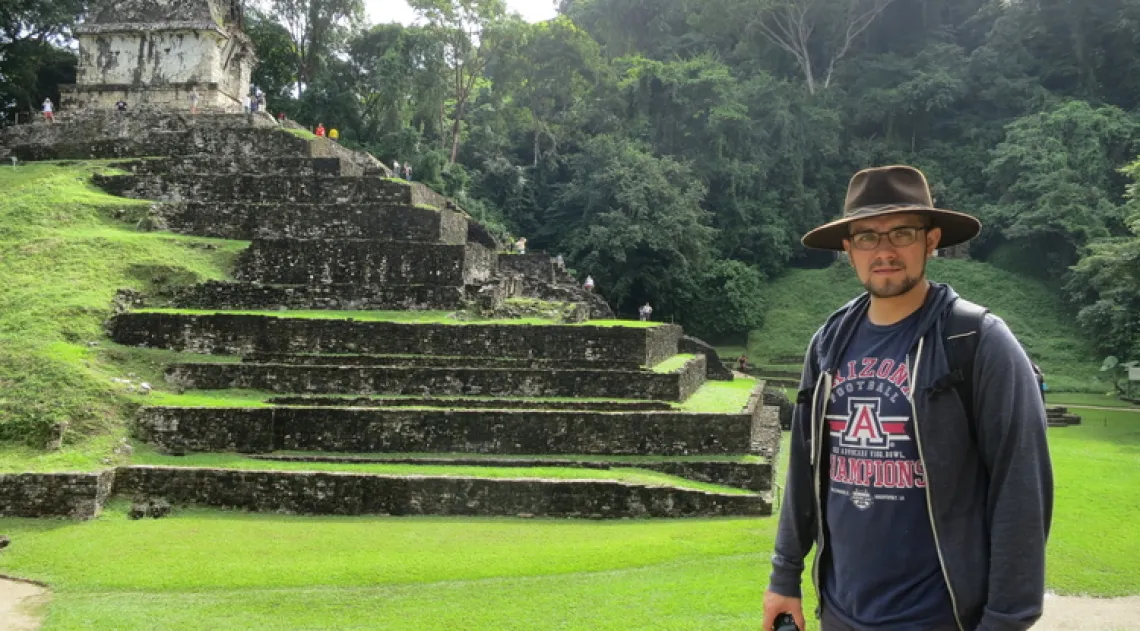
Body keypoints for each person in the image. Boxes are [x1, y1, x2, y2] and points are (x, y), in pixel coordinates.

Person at [763, 165, 1053, 631]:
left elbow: (1022, 487)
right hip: (839, 612)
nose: (884, 251)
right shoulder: (828, 343)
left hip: (941, 617)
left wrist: (1005, 621)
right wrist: (784, 576)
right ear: (848, 249)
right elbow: (804, 464)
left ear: (931, 239)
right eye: (866, 237)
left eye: (901, 232)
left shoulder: (977, 341)